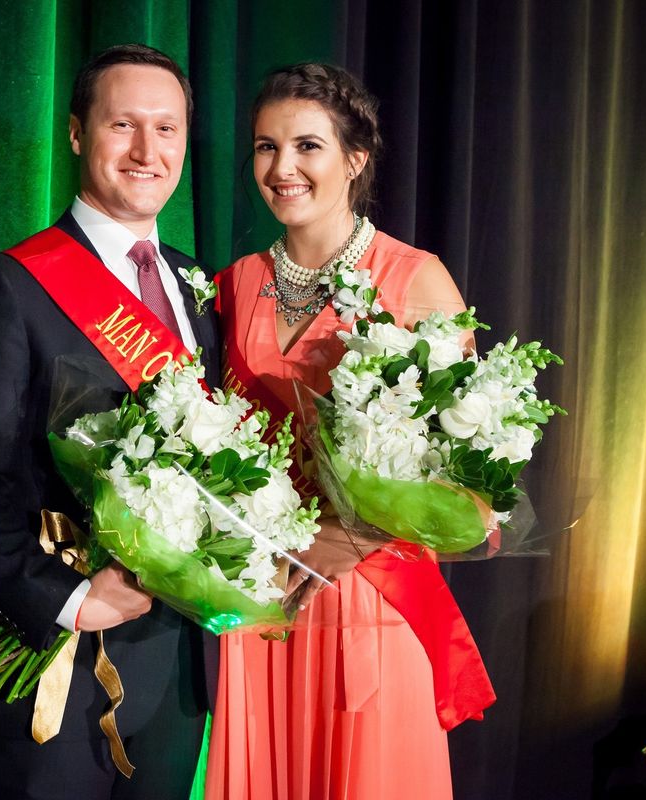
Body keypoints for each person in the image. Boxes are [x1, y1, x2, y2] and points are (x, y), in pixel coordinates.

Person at [0, 44, 220, 799]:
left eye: (168, 129)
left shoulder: (197, 286)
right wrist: (67, 599)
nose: (148, 151)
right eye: (124, 124)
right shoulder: (8, 286)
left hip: (179, 661)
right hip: (53, 656)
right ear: (78, 133)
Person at [205, 63, 496, 799]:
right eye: (266, 148)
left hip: (370, 597)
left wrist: (346, 539)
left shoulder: (414, 279)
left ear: (354, 159)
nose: (283, 167)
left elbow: (477, 483)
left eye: (308, 146)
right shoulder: (234, 285)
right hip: (263, 603)